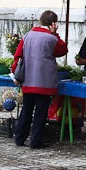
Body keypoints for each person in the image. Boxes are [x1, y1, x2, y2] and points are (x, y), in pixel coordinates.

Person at [12, 10, 68, 149]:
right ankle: (36, 141)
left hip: (28, 80)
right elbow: (62, 50)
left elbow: (18, 56)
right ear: (53, 24)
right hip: (45, 81)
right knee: (41, 112)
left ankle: (20, 138)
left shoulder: (27, 35)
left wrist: (15, 73)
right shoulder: (51, 38)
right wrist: (55, 34)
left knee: (26, 110)